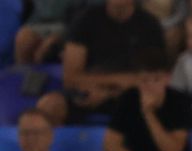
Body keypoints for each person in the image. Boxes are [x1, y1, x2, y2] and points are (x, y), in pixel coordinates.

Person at [36, 0, 167, 126]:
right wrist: (117, 81)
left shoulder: (150, 25)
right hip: (88, 92)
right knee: (49, 105)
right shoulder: (85, 20)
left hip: (131, 95)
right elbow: (70, 78)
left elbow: (156, 78)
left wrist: (108, 94)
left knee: (153, 104)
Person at [97, 48, 192, 151]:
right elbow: (110, 145)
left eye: (155, 79)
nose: (149, 86)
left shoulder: (179, 101)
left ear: (167, 78)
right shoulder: (128, 99)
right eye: (144, 80)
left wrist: (149, 114)